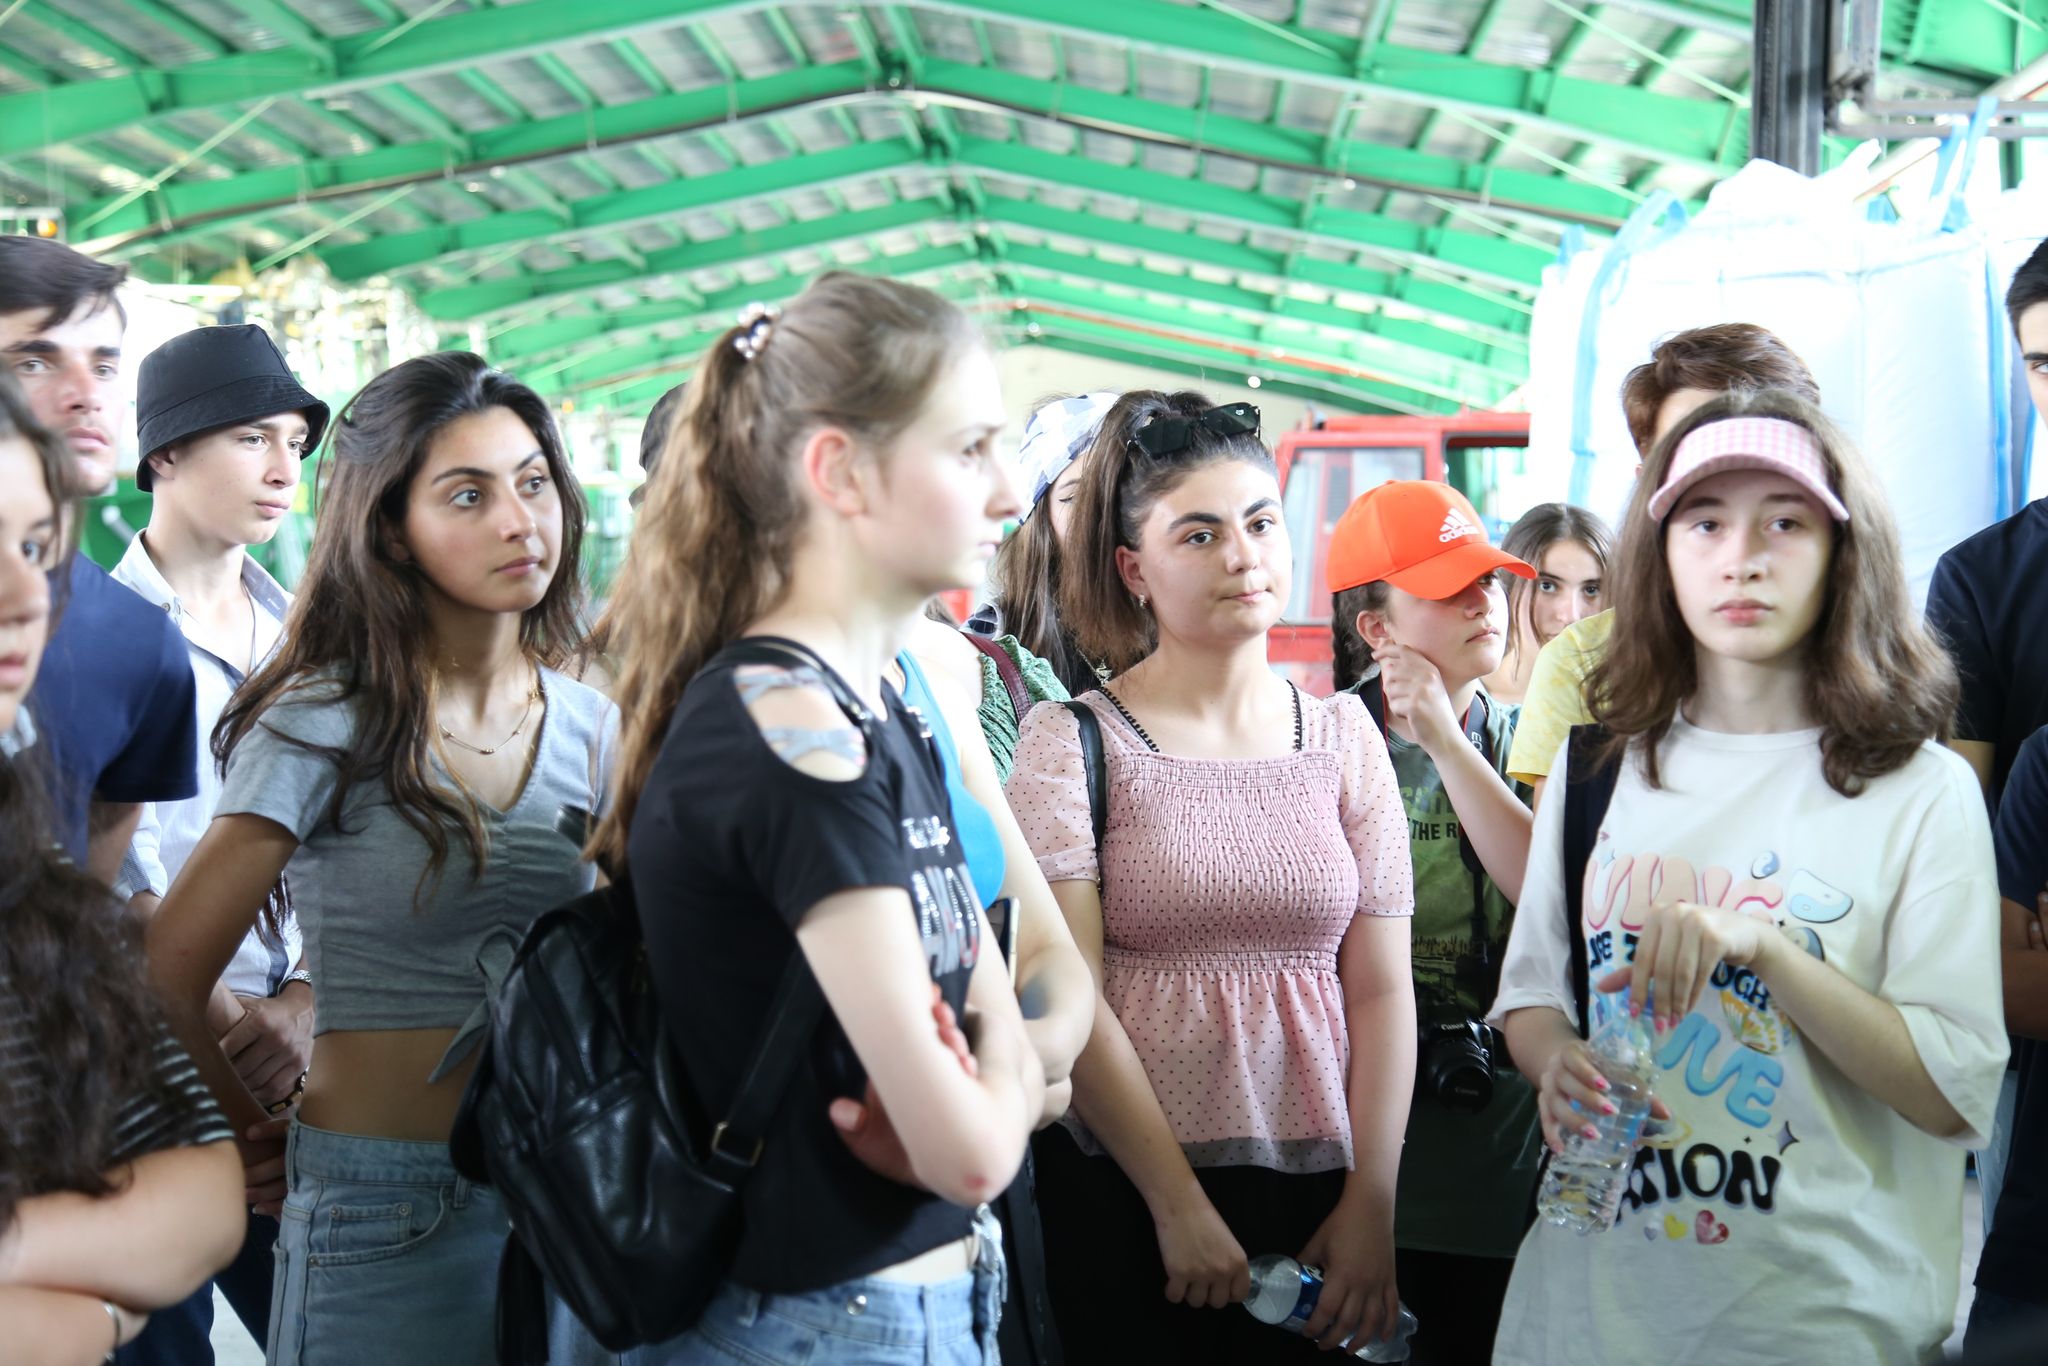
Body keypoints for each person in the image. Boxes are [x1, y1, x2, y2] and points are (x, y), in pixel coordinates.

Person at [1488, 391, 2007, 1363]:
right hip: (1581, 1317)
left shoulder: (1920, 789)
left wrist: (1765, 951)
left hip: (1816, 1325)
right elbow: (1531, 997)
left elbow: (1952, 1090)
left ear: (1843, 551)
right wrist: (1554, 1060)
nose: (1741, 557)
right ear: (1660, 554)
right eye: (1704, 522)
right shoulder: (1597, 768)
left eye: (1784, 522)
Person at [592, 277, 1049, 1364]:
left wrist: (991, 1082)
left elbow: (998, 1031)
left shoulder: (873, 708)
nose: (1010, 491)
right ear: (838, 471)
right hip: (826, 1328)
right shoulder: (793, 741)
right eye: (970, 449)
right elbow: (973, 1151)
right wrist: (999, 1089)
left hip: (914, 1305)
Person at [144, 353, 617, 1365]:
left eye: (534, 482)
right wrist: (246, 1138)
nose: (518, 520)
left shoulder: (593, 728)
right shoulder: (325, 718)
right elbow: (166, 969)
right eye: (468, 494)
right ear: (393, 530)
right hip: (381, 1209)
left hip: (568, 1194)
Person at [1006, 390, 1416, 1363]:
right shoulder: (1069, 743)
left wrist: (1373, 1200)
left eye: (1260, 523)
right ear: (1132, 570)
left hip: (1322, 1197)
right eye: (1199, 534)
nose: (1242, 556)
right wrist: (1175, 1203)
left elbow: (1380, 990)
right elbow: (1072, 993)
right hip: (1127, 1193)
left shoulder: (1345, 736)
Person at [0, 370, 246, 1362]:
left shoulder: (29, 882)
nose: (29, 596)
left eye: (35, 548)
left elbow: (202, 1190)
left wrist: (57, 1302)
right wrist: (89, 1292)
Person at [107, 324, 329, 1364]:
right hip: (149, 1068)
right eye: (252, 438)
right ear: (163, 453)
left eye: (296, 442)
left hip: (305, 1064)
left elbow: (344, 838)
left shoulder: (308, 642)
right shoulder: (95, 635)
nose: (285, 469)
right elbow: (113, 881)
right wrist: (243, 1043)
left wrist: (306, 1001)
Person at [1326, 480, 1539, 1363]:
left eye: (1487, 578)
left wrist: (1447, 741)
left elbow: (1548, 892)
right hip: (1361, 1170)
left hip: (1509, 1165)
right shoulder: (1322, 744)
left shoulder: (1533, 743)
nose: (1484, 601)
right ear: (1375, 628)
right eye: (1449, 586)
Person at [1504, 324, 1821, 805]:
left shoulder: (1872, 668)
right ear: (1649, 484)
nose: (1727, 479)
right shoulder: (1582, 664)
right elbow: (1563, 846)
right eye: (1691, 457)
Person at [0, 236, 196, 883]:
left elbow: (87, 887)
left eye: (105, 367)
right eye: (35, 361)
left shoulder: (143, 645)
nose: (86, 394)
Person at [967, 391, 1119, 700]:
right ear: (1040, 517)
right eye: (1074, 498)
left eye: (1120, 492)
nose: (1101, 515)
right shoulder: (989, 642)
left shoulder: (1187, 626)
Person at [1482, 503, 1610, 707]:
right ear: (1507, 587)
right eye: (1547, 586)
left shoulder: (1631, 704)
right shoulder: (1460, 700)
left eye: (1591, 590)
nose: (1571, 616)